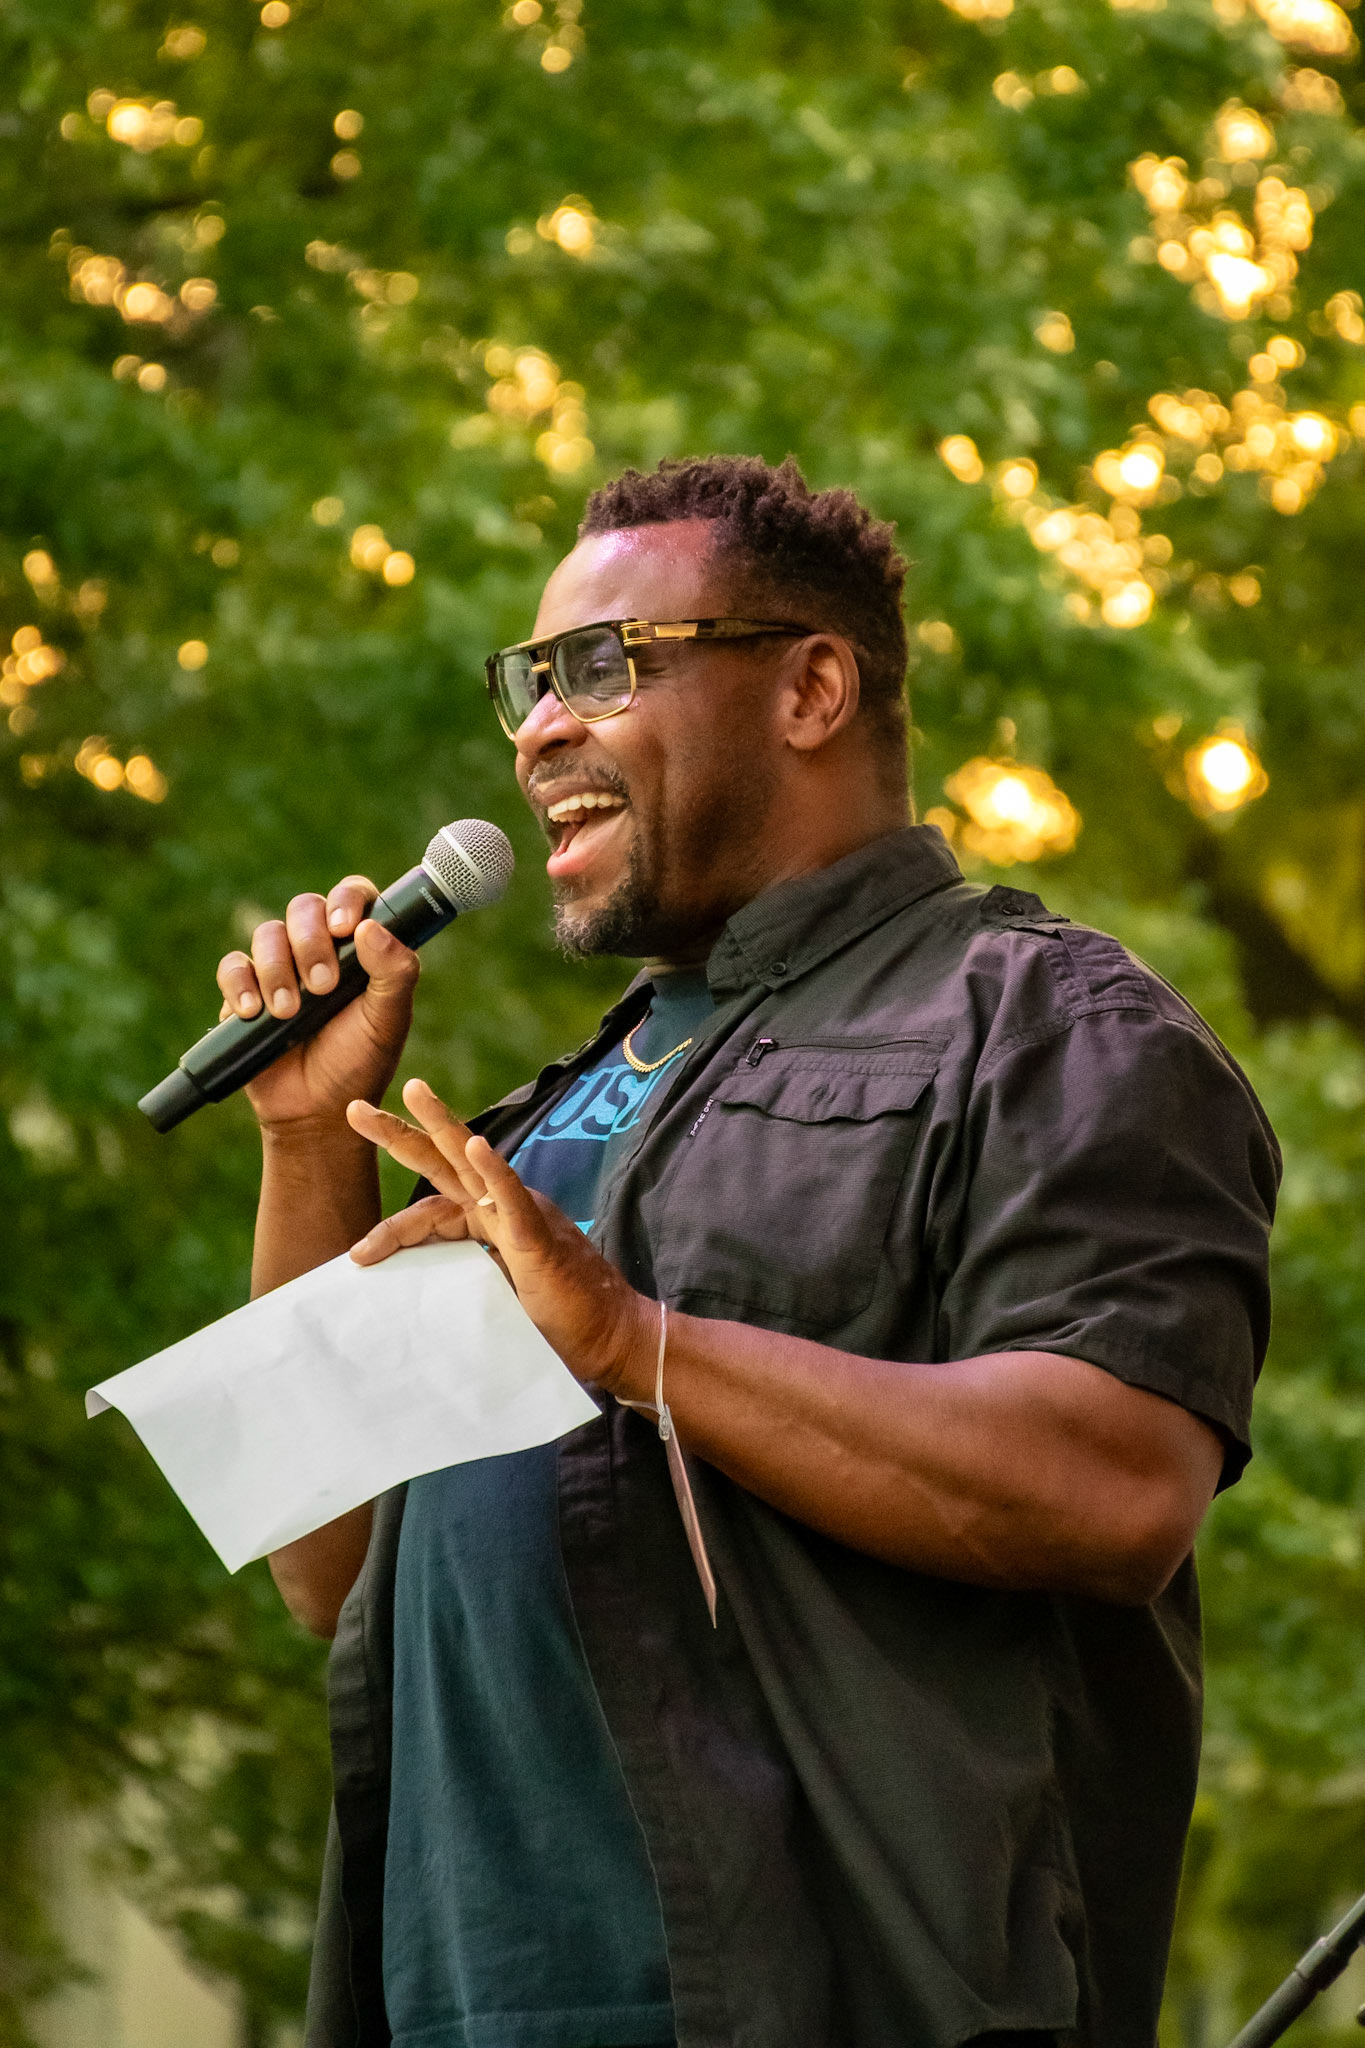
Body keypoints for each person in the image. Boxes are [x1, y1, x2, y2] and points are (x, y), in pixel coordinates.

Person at [218, 456, 1279, 2048]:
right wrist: (311, 1145)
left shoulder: (1041, 1025)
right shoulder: (552, 1107)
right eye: (526, 682)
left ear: (812, 689)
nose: (536, 730)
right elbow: (326, 1565)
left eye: (599, 669)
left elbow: (1116, 1485)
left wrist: (636, 1345)